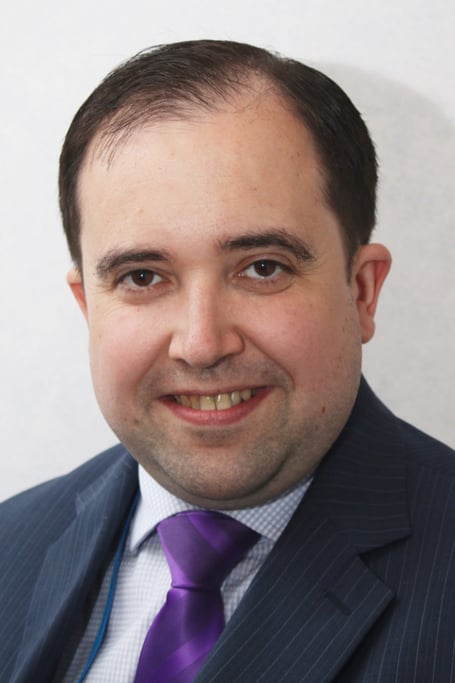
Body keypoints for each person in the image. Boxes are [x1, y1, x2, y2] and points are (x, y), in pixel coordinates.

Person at [1, 40, 454, 683]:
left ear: (361, 291)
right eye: (142, 276)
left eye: (262, 268)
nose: (202, 343)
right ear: (89, 307)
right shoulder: (11, 544)